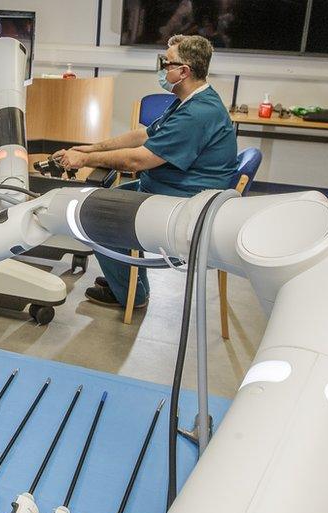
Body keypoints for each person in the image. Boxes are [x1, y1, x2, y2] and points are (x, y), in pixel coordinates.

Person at [52, 34, 237, 309]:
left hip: (185, 205)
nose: (163, 70)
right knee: (107, 198)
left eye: (167, 64)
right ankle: (128, 283)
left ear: (183, 71)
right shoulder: (189, 101)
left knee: (96, 216)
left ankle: (131, 295)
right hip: (170, 189)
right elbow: (142, 136)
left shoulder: (198, 114)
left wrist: (84, 161)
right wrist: (89, 149)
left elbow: (137, 161)